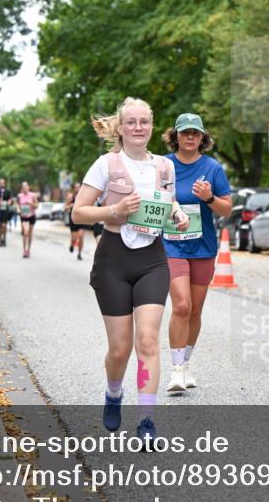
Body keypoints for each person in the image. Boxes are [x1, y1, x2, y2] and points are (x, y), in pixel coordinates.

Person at [71, 97, 190, 446]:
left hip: (152, 259)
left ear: (152, 126)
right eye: (132, 122)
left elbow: (168, 203)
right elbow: (79, 212)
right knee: (120, 349)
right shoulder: (106, 165)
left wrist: (178, 214)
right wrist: (115, 209)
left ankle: (147, 419)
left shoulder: (165, 168)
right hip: (113, 260)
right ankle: (113, 392)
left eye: (144, 122)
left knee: (148, 340)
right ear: (121, 128)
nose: (138, 127)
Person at [161, 113, 232, 394]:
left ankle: (186, 364)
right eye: (184, 132)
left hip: (203, 246)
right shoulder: (164, 167)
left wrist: (209, 198)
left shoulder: (213, 168)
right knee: (181, 305)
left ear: (203, 137)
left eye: (195, 133)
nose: (190, 137)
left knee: (196, 309)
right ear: (175, 136)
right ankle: (176, 370)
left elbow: (226, 209)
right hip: (172, 244)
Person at [16, 181, 38, 257]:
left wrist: (31, 204)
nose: (25, 188)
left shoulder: (33, 195)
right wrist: (18, 210)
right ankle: (24, 250)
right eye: (23, 187)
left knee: (30, 233)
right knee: (25, 233)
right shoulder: (19, 196)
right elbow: (18, 205)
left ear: (29, 187)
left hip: (31, 215)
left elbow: (36, 206)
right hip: (24, 216)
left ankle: (28, 250)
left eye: (26, 186)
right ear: (22, 188)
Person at [64, 188, 87, 261]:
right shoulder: (71, 197)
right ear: (74, 188)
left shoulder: (84, 197)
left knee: (81, 236)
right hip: (73, 219)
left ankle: (79, 254)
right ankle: (72, 244)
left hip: (82, 218)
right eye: (76, 187)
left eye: (79, 187)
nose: (77, 188)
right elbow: (64, 207)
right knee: (74, 238)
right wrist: (70, 206)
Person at [0, 177, 12, 247]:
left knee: (4, 225)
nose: (2, 184)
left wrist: (9, 202)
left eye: (3, 183)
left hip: (5, 210)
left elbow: (10, 199)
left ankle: (4, 239)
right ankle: (0, 239)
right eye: (0, 183)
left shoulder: (7, 191)